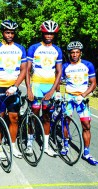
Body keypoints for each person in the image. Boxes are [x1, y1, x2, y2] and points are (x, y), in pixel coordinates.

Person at [0, 20, 27, 159]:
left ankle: (13, 145)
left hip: (13, 87)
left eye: (12, 32)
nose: (10, 35)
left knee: (14, 118)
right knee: (0, 117)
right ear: (2, 33)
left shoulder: (20, 48)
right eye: (7, 32)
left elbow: (24, 70)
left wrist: (15, 86)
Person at [25, 20, 62, 157]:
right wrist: (29, 89)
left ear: (54, 34)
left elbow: (59, 72)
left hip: (49, 87)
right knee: (33, 115)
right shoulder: (34, 48)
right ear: (42, 33)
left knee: (47, 117)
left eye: (51, 33)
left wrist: (53, 90)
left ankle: (46, 146)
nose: (49, 36)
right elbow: (27, 70)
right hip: (37, 85)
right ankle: (29, 144)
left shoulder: (57, 50)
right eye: (47, 33)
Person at [60, 41, 98, 165]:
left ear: (80, 53)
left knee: (86, 125)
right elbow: (59, 82)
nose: (75, 54)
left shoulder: (88, 65)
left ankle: (86, 153)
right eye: (72, 53)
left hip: (82, 98)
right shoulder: (65, 66)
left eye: (77, 52)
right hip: (69, 97)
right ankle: (65, 145)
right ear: (69, 54)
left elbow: (93, 83)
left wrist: (83, 95)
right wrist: (59, 94)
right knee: (66, 121)